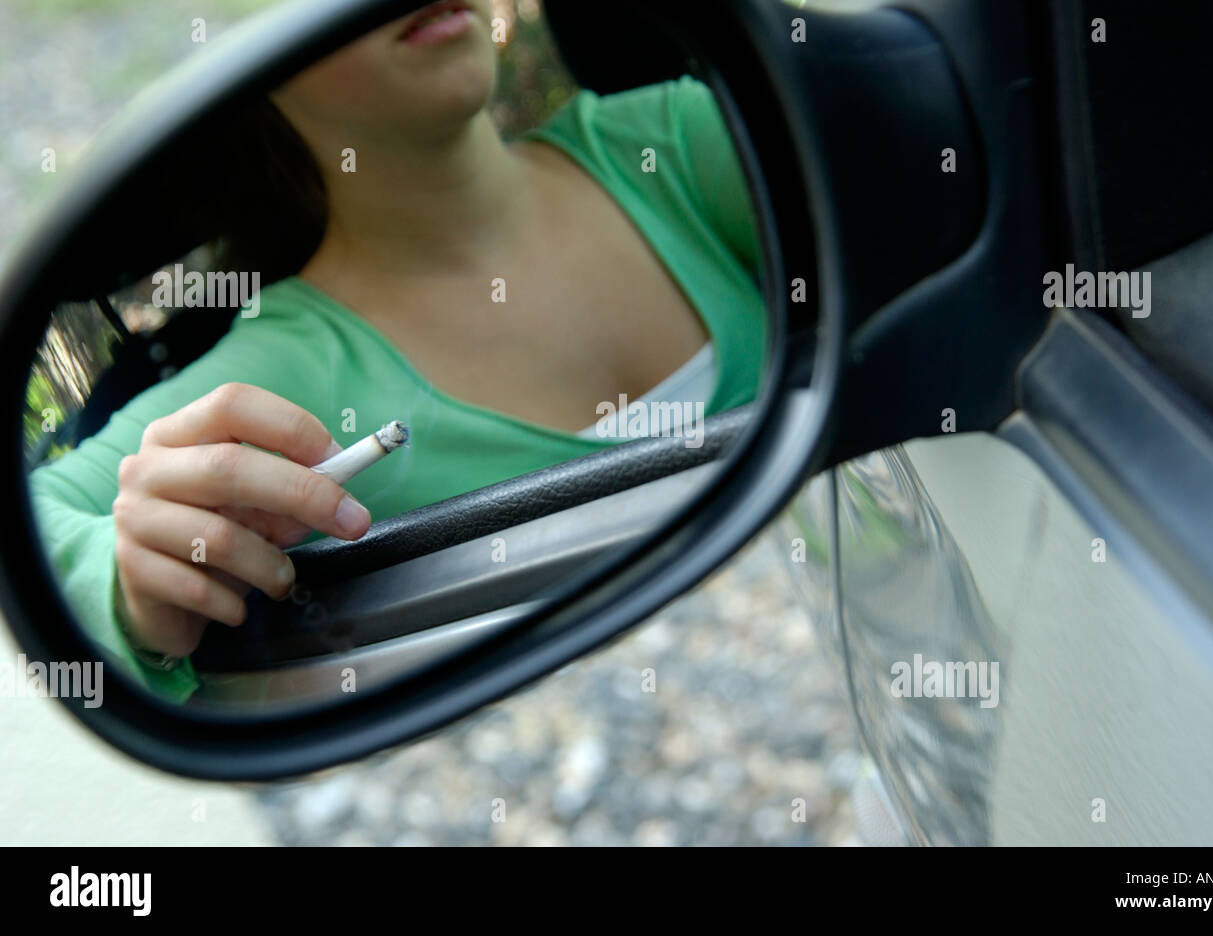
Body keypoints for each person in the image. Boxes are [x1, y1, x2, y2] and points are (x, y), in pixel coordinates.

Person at [27, 2, 767, 701]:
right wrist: (126, 582)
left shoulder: (668, 145)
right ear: (255, 58)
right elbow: (35, 523)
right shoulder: (284, 373)